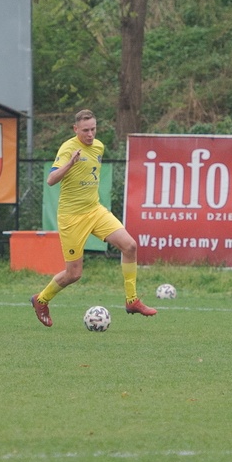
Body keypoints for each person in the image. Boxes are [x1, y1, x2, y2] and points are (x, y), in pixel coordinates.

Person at [30, 109, 157, 327]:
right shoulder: (68, 148)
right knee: (73, 274)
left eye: (93, 129)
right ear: (75, 129)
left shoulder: (98, 146)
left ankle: (132, 300)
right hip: (72, 217)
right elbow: (51, 180)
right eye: (86, 130)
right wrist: (69, 164)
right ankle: (41, 300)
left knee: (130, 246)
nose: (90, 134)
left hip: (95, 210)